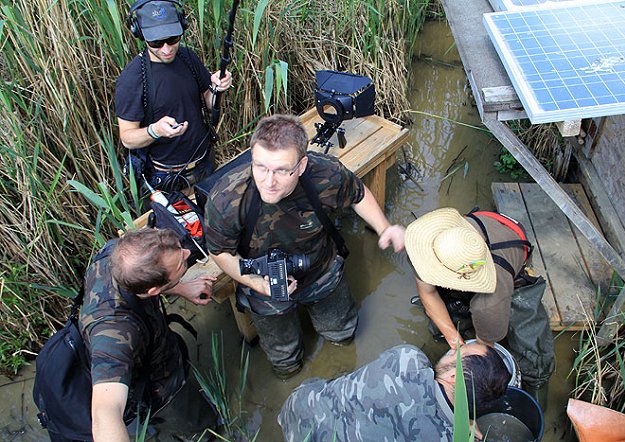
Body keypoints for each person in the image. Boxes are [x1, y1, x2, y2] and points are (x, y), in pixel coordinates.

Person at [204, 114, 405, 378]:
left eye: (281, 170)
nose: (268, 181)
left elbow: (357, 193)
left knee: (342, 334)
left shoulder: (325, 173)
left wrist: (384, 227)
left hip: (320, 269)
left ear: (301, 166)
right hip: (265, 285)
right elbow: (220, 252)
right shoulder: (227, 199)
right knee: (284, 360)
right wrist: (257, 283)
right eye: (260, 167)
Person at [79, 228, 215, 442]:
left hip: (158, 344)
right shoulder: (115, 332)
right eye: (180, 264)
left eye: (180, 249)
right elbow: (104, 412)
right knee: (201, 426)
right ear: (153, 290)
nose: (188, 254)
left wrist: (180, 288)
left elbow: (144, 285)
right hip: (160, 388)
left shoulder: (119, 253)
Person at [404, 207, 554, 397]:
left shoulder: (489, 303)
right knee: (443, 322)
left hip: (508, 253)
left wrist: (473, 361)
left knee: (533, 349)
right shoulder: (431, 244)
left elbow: (485, 350)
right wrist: (453, 339)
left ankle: (537, 388)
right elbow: (428, 293)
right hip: (482, 228)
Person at [278, 343, 511, 441]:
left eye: (458, 352)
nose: (453, 348)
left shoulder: (408, 359)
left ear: (453, 377)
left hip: (299, 407)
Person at [115, 0, 232, 191]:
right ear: (140, 34)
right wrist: (155, 130)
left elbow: (210, 103)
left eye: (173, 39)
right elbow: (127, 138)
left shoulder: (188, 58)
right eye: (156, 42)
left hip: (205, 164)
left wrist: (218, 88)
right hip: (166, 179)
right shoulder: (132, 79)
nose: (166, 49)